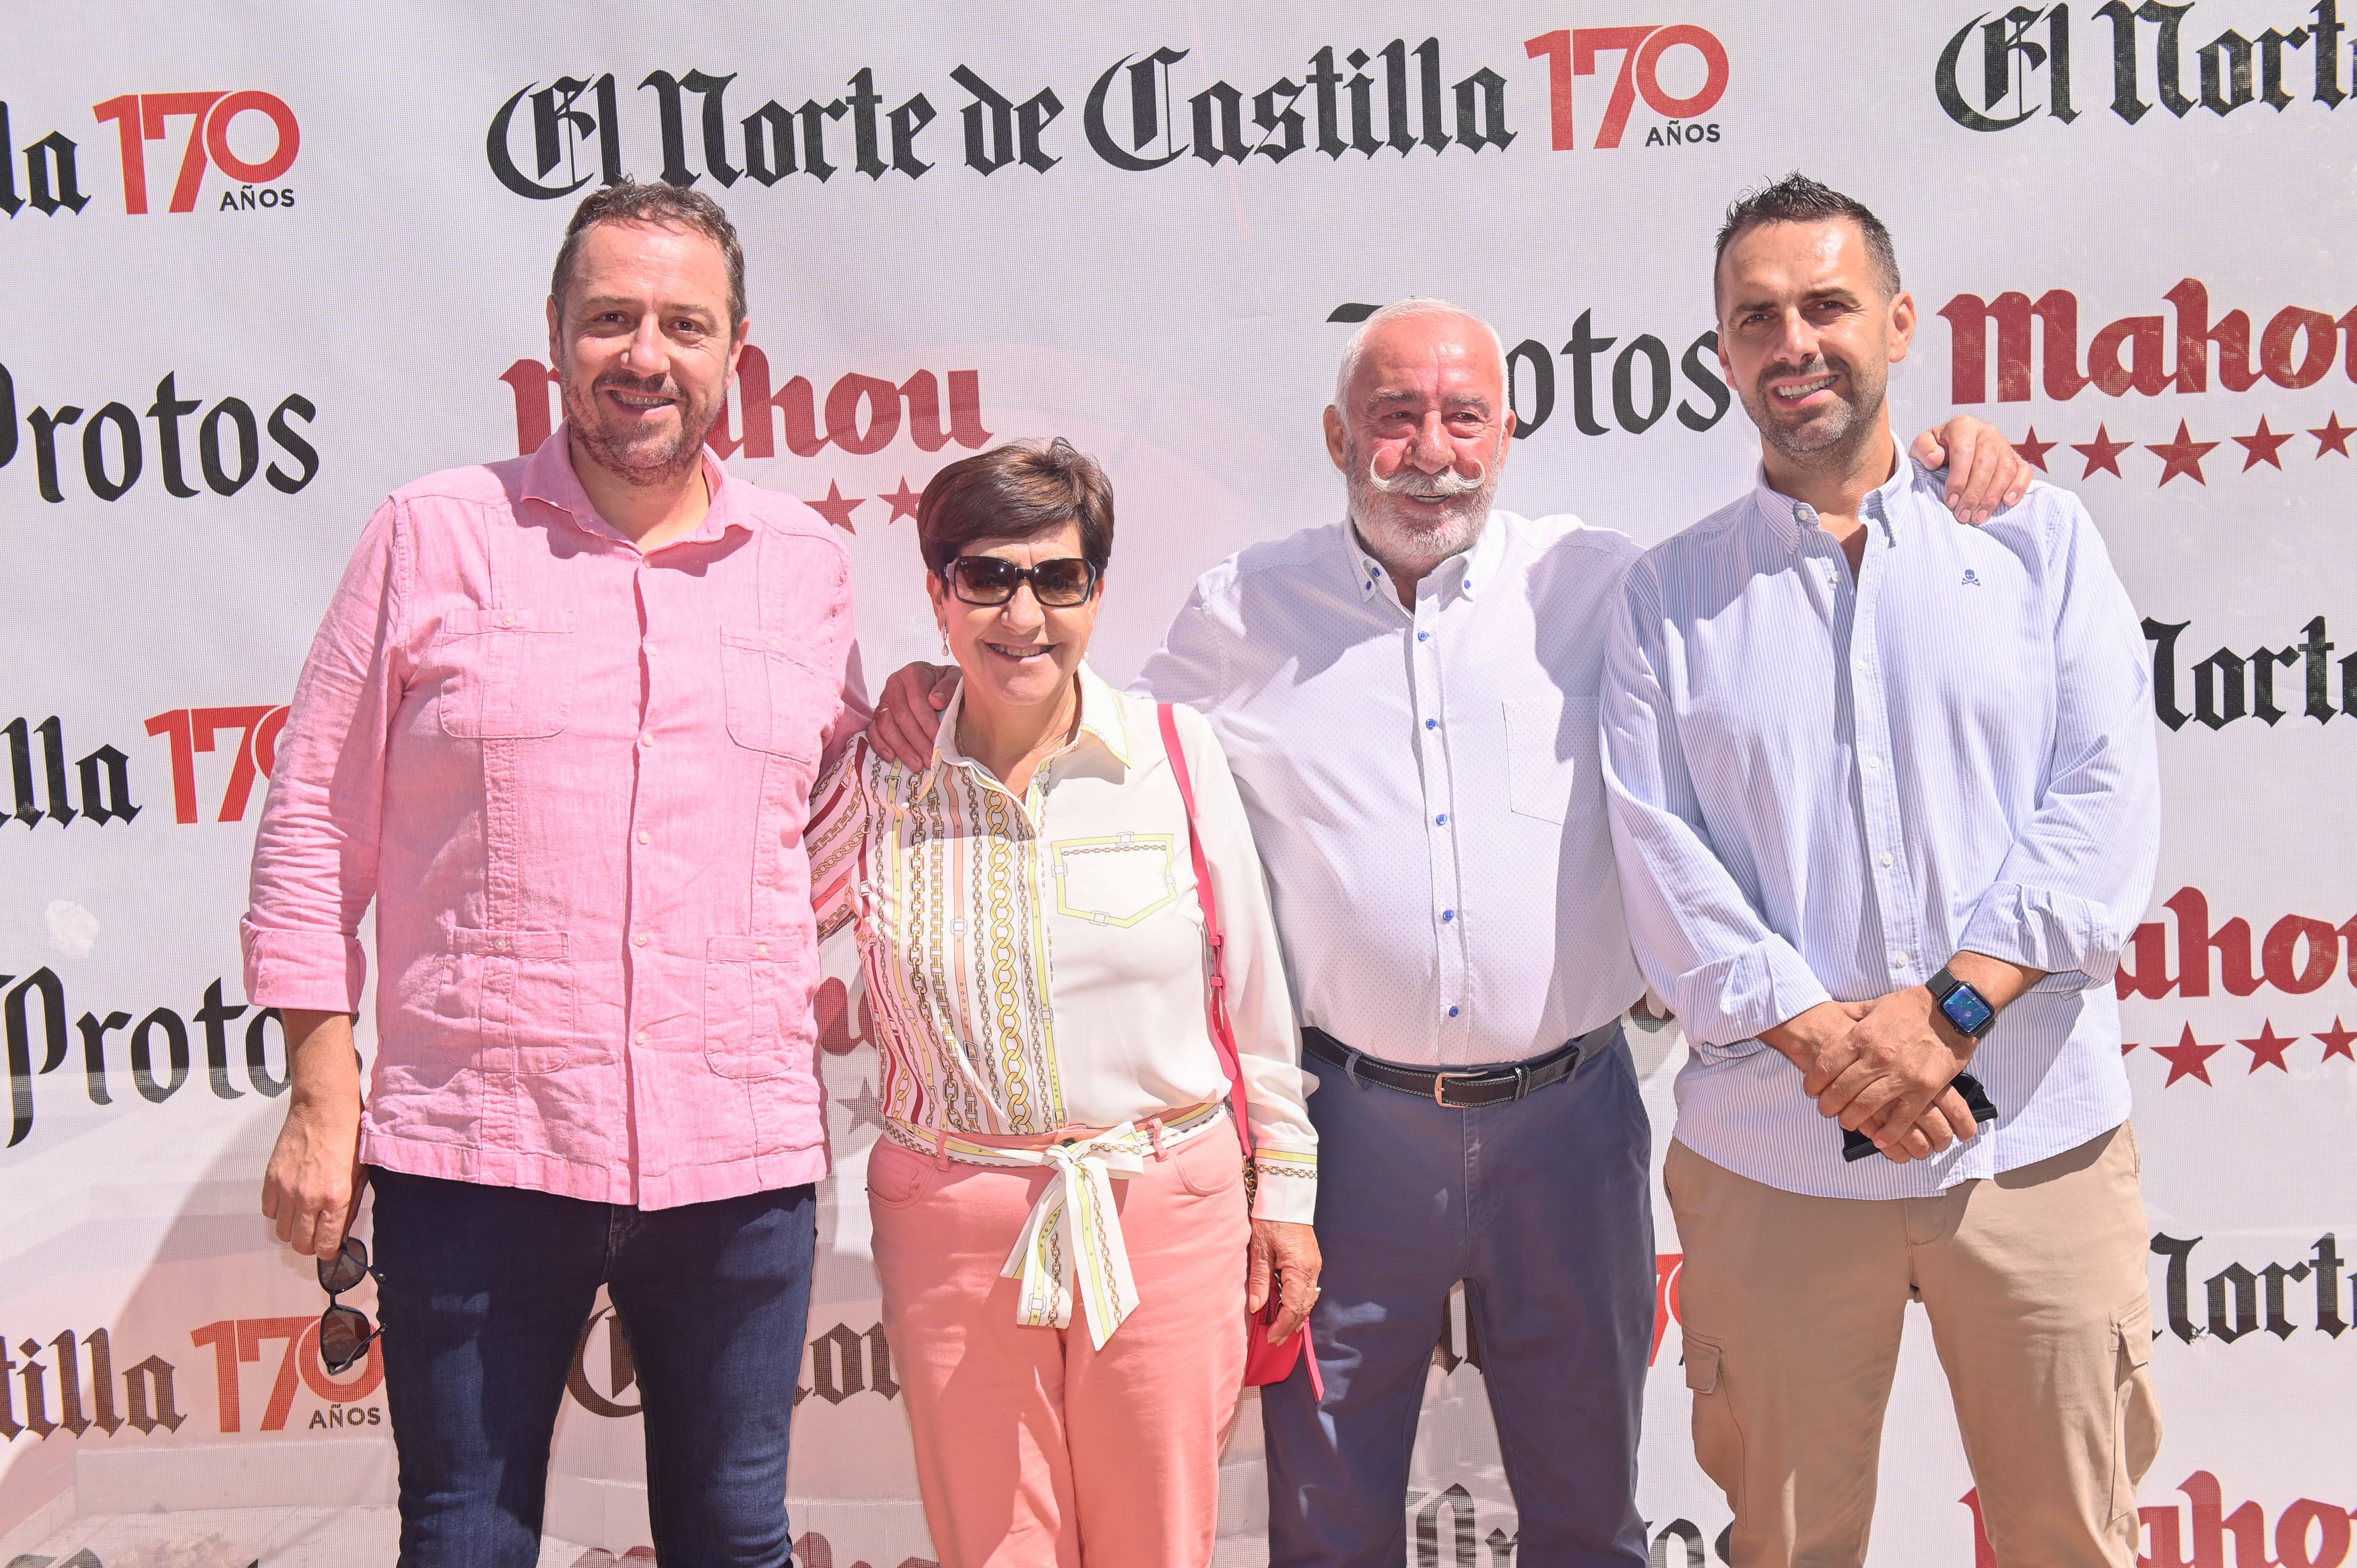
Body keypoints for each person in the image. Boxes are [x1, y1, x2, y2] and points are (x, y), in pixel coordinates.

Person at [869, 302, 2030, 1563]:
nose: (1432, 449)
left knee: (1589, 1506)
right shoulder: (1238, 615)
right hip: (1351, 1131)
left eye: (1463, 415)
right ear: (1336, 436)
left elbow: (1783, 572)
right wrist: (937, 688)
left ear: (1510, 432)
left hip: (1572, 1122)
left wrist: (1944, 459)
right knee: (1327, 1512)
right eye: (1396, 416)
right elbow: (1082, 728)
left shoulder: (1604, 583)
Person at [243, 180, 862, 1565]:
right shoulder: (432, 535)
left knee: (735, 1533)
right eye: (612, 319)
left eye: (682, 325)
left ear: (734, 354)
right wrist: (321, 1093)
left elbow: (832, 823)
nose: (646, 354)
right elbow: (309, 831)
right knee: (465, 1534)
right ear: (554, 336)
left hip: (735, 1151)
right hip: (480, 1141)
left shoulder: (809, 564)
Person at [1598, 174, 2163, 1568]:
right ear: (1722, 353)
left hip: (2030, 1138)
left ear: (1899, 323)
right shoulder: (1664, 600)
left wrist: (1944, 1016)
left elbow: (2100, 804)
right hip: (1774, 1160)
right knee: (1788, 1545)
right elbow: (1662, 860)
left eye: (1826, 305)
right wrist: (1832, 1042)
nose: (1794, 340)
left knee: (2071, 1540)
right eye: (1756, 317)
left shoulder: (2035, 539)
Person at [806, 437, 1317, 1567]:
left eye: (1058, 577)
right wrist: (873, 721)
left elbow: (1255, 997)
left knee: (1157, 1548)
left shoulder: (1173, 754)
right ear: (939, 593)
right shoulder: (880, 779)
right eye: (986, 577)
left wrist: (1285, 1191)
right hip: (949, 1214)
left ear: (1095, 588)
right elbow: (770, 911)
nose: (1022, 613)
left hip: (1164, 1206)